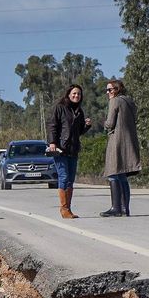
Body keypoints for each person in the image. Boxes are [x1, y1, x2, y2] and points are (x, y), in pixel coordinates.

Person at [47, 85, 91, 219]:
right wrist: (52, 142)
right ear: (68, 94)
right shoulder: (59, 108)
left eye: (78, 94)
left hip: (73, 149)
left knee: (70, 180)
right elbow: (52, 125)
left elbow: (78, 132)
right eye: (74, 93)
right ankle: (64, 208)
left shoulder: (79, 111)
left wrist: (87, 126)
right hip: (60, 149)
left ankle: (68, 209)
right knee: (64, 177)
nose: (76, 96)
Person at [101, 78, 138, 217]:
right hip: (129, 141)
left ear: (117, 89)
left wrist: (104, 123)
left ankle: (115, 208)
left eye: (110, 89)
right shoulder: (130, 102)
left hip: (116, 140)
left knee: (112, 173)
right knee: (122, 174)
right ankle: (124, 208)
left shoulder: (115, 101)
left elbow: (110, 123)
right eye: (107, 90)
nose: (108, 92)